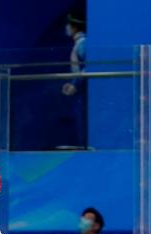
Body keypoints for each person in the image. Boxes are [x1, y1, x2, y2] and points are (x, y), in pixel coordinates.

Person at [61, 13, 87, 148]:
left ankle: (84, 146)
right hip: (79, 90)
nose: (67, 28)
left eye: (69, 25)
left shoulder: (83, 45)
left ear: (75, 27)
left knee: (82, 119)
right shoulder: (78, 44)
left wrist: (76, 84)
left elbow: (88, 67)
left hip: (83, 90)